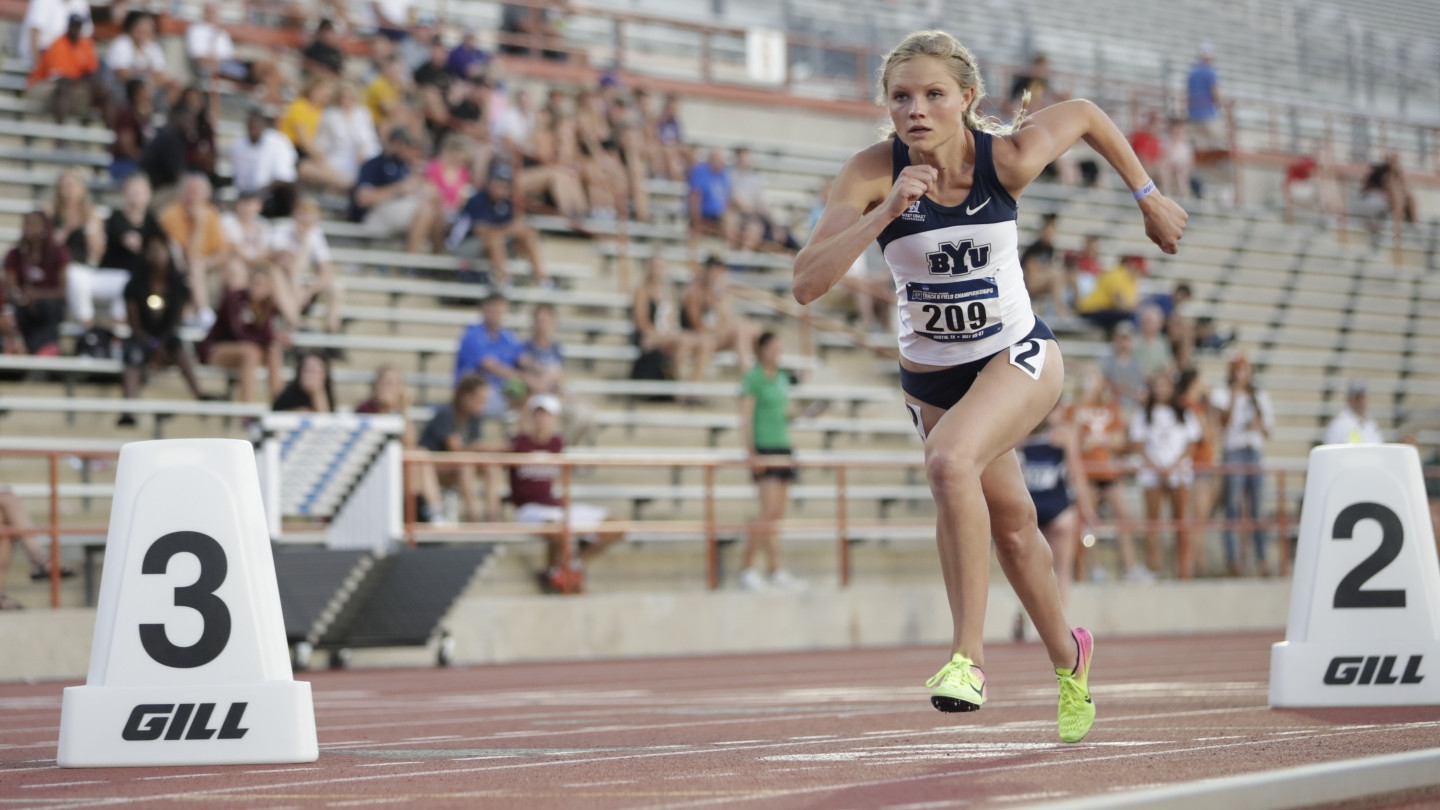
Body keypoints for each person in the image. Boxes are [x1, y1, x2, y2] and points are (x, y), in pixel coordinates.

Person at [790, 29, 1186, 742]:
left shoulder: (1004, 157)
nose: (916, 109)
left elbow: (1089, 113)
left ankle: (966, 659)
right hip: (932, 381)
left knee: (949, 463)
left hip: (1018, 358)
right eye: (901, 97)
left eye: (934, 95)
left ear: (966, 100)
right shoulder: (870, 173)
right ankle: (1071, 658)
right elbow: (806, 284)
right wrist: (884, 214)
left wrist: (1149, 197)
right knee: (1013, 527)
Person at [509, 394, 622, 595]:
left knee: (616, 525)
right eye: (537, 415)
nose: (541, 420)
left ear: (555, 419)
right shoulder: (517, 443)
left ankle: (570, 566)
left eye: (546, 415)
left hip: (554, 506)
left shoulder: (558, 444)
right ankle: (558, 572)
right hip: (529, 508)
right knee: (558, 528)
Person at [736, 332, 811, 592]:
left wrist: (803, 414)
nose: (777, 353)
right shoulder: (754, 378)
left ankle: (775, 568)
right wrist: (751, 452)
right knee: (766, 512)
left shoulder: (781, 377)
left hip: (783, 446)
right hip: (764, 447)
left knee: (776, 514)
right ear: (762, 350)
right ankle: (747, 567)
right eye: (773, 348)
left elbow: (782, 411)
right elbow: (745, 418)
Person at [1068, 363, 1146, 583]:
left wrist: (1097, 440)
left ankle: (1130, 566)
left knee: (1123, 517)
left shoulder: (1110, 407)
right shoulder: (1074, 408)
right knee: (1089, 522)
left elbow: (1119, 439)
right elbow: (1072, 442)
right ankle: (1094, 568)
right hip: (1085, 474)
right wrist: (1082, 402)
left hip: (1107, 472)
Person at [118, 232, 207, 425]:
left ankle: (200, 395)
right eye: (151, 250)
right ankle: (129, 409)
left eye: (160, 249)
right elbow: (133, 322)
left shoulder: (178, 286)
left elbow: (175, 322)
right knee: (132, 355)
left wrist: (159, 344)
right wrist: (149, 342)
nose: (156, 254)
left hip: (168, 338)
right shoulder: (134, 285)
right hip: (141, 337)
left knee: (180, 347)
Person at [1019, 402, 1095, 608]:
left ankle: (1026, 614)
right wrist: (1087, 508)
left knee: (1032, 571)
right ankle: (1061, 629)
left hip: (1033, 508)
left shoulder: (1023, 431)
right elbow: (1076, 473)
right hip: (1059, 508)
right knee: (1061, 572)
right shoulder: (1064, 434)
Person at [1129, 372, 1202, 579]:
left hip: (1178, 472)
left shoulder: (1185, 413)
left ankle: (1184, 570)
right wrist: (1156, 467)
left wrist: (1174, 465)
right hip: (1152, 472)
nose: (1162, 390)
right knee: (1153, 522)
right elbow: (1138, 444)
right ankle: (1155, 568)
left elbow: (1192, 443)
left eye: (1165, 385)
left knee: (1180, 522)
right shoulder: (1143, 413)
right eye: (1158, 386)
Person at [1209, 355, 1273, 577]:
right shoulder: (1224, 394)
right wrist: (1234, 400)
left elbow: (1268, 429)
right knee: (1233, 507)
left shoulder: (1259, 396)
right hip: (1234, 451)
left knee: (1256, 509)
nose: (1240, 374)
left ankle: (1261, 559)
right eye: (1236, 369)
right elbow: (1221, 425)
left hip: (1252, 450)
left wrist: (1258, 425)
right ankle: (1233, 560)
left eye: (1243, 369)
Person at [416, 373, 498, 523]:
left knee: (490, 466)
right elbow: (455, 448)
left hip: (454, 466)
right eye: (480, 400)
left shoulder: (474, 417)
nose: (483, 405)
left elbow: (474, 447)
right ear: (466, 396)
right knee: (465, 466)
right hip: (431, 468)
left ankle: (493, 517)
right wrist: (484, 447)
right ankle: (475, 519)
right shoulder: (446, 414)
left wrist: (483, 448)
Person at [197, 268, 285, 403]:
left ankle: (279, 405)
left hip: (246, 353)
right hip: (216, 349)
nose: (257, 287)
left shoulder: (267, 306)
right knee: (251, 352)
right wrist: (272, 339)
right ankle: (247, 411)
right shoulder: (234, 298)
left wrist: (274, 340)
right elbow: (237, 333)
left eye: (262, 285)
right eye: (255, 282)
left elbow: (268, 336)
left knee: (274, 352)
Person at [349, 127, 443, 253]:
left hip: (401, 209)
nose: (405, 148)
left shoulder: (404, 166)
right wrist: (398, 188)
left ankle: (438, 261)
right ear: (392, 143)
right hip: (375, 214)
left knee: (437, 207)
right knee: (425, 210)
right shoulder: (373, 164)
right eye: (402, 144)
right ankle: (410, 264)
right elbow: (363, 199)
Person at [159, 173, 231, 319]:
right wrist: (199, 225)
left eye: (198, 193)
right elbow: (188, 255)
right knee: (195, 266)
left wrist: (207, 262)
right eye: (190, 192)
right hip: (180, 268)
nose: (193, 197)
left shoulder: (211, 213)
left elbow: (223, 251)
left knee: (235, 270)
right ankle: (204, 313)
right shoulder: (170, 214)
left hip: (209, 266)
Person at [270, 197, 345, 333]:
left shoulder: (316, 234)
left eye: (311, 214)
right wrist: (304, 244)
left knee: (336, 290)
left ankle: (331, 331)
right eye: (303, 213)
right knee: (288, 285)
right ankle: (294, 326)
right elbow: (290, 269)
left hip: (304, 284)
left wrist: (309, 291)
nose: (307, 218)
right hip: (285, 282)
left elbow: (327, 271)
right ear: (295, 214)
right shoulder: (281, 231)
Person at [632, 253, 707, 383]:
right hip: (649, 335)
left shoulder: (669, 291)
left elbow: (672, 320)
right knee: (685, 340)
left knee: (702, 343)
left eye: (660, 266)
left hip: (666, 335)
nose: (658, 270)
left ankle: (690, 383)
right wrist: (660, 335)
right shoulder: (642, 291)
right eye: (655, 266)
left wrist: (669, 333)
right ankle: (676, 381)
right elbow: (641, 322)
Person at [3, 211, 69, 355]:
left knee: (48, 308)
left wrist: (37, 295)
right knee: (17, 311)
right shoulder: (15, 255)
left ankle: (34, 350)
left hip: (50, 305)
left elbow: (62, 291)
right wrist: (22, 297)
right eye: (27, 225)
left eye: (35, 225)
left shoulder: (57, 253)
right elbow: (11, 288)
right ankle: (39, 350)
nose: (29, 229)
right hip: (24, 306)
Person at [681, 255, 759, 376]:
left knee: (750, 327)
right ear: (706, 270)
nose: (716, 274)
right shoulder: (694, 292)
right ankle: (748, 373)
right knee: (740, 327)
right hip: (701, 336)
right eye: (713, 270)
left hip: (715, 334)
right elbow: (696, 325)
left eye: (719, 271)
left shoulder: (718, 293)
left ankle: (753, 371)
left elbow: (725, 319)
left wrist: (720, 300)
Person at [454, 292, 524, 418]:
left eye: (501, 311)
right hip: (473, 394)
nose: (498, 315)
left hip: (498, 392)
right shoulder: (472, 335)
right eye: (494, 310)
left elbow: (523, 359)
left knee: (530, 394)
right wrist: (526, 378)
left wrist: (541, 373)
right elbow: (489, 365)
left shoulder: (506, 336)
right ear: (484, 310)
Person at [27, 13, 104, 125]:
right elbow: (59, 78)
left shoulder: (86, 44)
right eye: (73, 25)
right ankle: (60, 134)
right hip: (43, 85)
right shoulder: (58, 44)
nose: (75, 29)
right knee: (63, 88)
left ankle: (111, 137)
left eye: (78, 26)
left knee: (103, 91)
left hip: (73, 87)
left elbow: (90, 73)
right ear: (68, 26)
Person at [231, 109, 299, 219]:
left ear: (264, 126)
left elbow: (285, 177)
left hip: (274, 194)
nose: (253, 128)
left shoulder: (278, 141)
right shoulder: (239, 144)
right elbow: (239, 178)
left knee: (291, 190)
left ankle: (288, 218)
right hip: (249, 194)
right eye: (250, 125)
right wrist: (251, 194)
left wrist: (259, 192)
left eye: (256, 125)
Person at [314, 82, 381, 190]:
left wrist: (363, 151)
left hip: (362, 156)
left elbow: (370, 138)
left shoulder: (363, 113)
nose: (346, 101)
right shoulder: (329, 115)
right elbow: (321, 143)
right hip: (338, 158)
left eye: (350, 98)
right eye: (343, 97)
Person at [99, 174, 164, 281]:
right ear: (125, 193)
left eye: (140, 191)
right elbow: (124, 240)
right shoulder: (116, 217)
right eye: (132, 191)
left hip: (141, 277)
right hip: (114, 273)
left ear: (149, 194)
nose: (136, 195)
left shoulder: (152, 220)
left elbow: (160, 242)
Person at [1076, 253, 1144, 334]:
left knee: (1130, 317)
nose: (1139, 272)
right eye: (1137, 269)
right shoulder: (1117, 275)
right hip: (1090, 310)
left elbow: (1131, 304)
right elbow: (1119, 304)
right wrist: (1135, 309)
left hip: (1102, 309)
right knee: (1129, 317)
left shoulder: (1131, 280)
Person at [1020, 212, 1067, 318]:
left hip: (1044, 281)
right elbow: (1031, 272)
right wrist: (1049, 270)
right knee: (1055, 274)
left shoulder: (1051, 249)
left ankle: (1060, 310)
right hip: (1029, 283)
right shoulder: (1034, 248)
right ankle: (1060, 310)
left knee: (1060, 275)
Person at [108, 77, 153, 183]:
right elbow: (126, 145)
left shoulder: (143, 115)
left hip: (137, 163)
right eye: (146, 91)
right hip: (125, 164)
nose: (149, 95)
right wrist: (146, 160)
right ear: (137, 94)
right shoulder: (127, 114)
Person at [1098, 321, 1147, 411]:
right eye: (1120, 338)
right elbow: (1102, 385)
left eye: (1126, 339)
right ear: (1115, 339)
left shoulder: (1137, 364)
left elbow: (1141, 392)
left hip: (1133, 407)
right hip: (1112, 406)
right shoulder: (1106, 361)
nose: (1123, 342)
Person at [1323, 379, 1384, 445]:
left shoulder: (1371, 424)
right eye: (1357, 398)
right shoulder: (1339, 425)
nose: (1361, 402)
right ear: (1349, 400)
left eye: (1363, 397)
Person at [1186, 43, 1221, 148]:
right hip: (1207, 113)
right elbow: (1215, 91)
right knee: (1214, 142)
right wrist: (1219, 104)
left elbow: (1188, 93)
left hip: (1193, 112)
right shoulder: (1210, 72)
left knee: (1198, 144)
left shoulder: (1192, 72)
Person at [1132, 303, 1173, 378]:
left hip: (1159, 381)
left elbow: (1168, 364)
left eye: (1150, 322)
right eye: (1145, 321)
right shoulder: (1134, 341)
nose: (1146, 324)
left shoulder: (1162, 341)